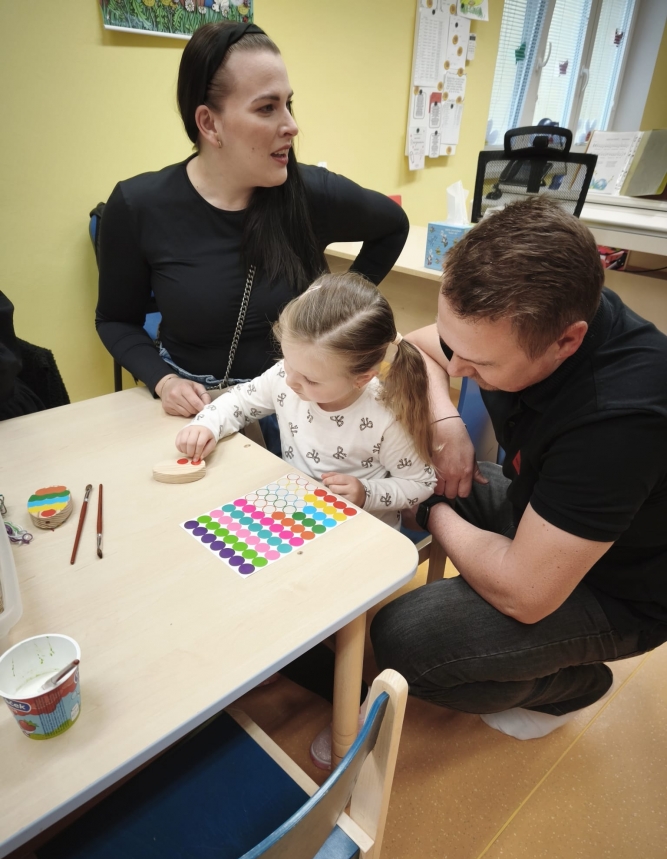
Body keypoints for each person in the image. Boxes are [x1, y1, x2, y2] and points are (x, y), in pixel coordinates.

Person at [371, 197, 667, 741]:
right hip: (544, 508)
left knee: (404, 639)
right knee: (436, 479)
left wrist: (431, 511)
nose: (456, 366)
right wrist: (447, 422)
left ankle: (573, 686)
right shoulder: (535, 314)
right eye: (452, 345)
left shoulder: (618, 420)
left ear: (566, 341)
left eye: (479, 365)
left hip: (621, 588)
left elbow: (525, 595)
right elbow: (415, 348)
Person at [95, 21, 409, 435]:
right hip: (195, 408)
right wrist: (164, 380)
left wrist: (339, 308)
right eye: (266, 108)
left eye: (288, 104)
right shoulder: (138, 205)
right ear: (209, 124)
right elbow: (116, 320)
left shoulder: (311, 193)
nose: (291, 125)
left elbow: (393, 225)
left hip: (297, 406)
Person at [175, 272, 436, 530]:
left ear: (362, 379)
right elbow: (240, 402)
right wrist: (207, 424)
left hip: (361, 530)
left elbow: (420, 483)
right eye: (287, 361)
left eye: (311, 380)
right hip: (298, 516)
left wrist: (366, 493)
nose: (290, 381)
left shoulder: (386, 418)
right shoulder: (284, 376)